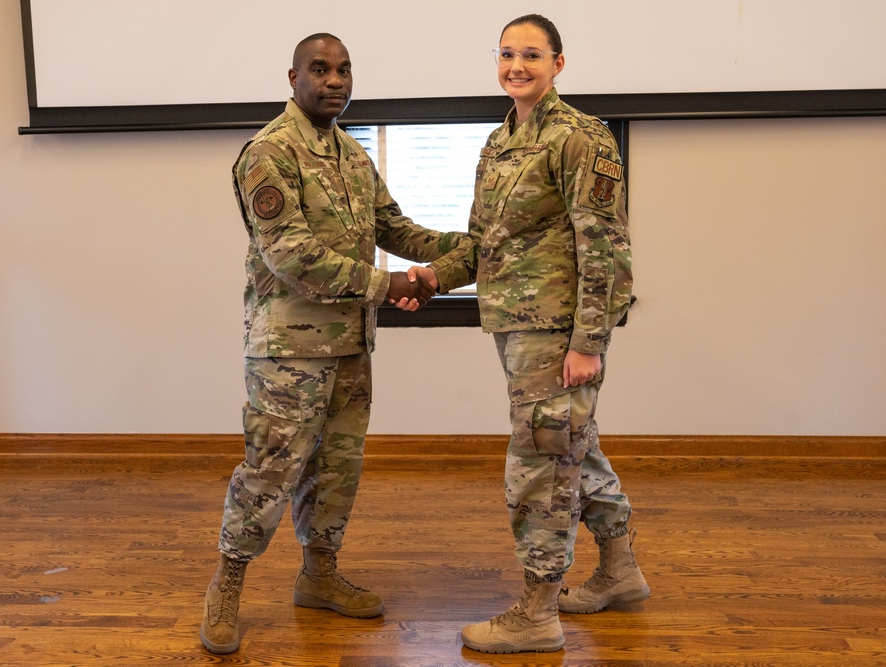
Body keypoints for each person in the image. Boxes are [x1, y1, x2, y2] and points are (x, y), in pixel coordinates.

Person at [200, 33, 468, 654]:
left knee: (336, 469)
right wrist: (389, 283)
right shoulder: (268, 154)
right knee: (269, 471)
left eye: (344, 70)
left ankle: (318, 575)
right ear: (292, 77)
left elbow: (394, 227)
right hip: (288, 351)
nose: (335, 80)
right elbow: (292, 256)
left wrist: (469, 249)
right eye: (320, 70)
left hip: (349, 345)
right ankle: (227, 585)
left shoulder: (351, 155)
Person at [413, 14, 649, 654]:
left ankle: (539, 612)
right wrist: (433, 275)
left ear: (559, 64)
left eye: (532, 55)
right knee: (574, 442)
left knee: (543, 462)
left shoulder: (581, 138)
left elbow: (605, 249)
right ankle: (620, 571)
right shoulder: (500, 141)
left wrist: (588, 342)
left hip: (556, 329)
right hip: (515, 325)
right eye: (507, 54)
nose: (517, 66)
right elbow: (485, 242)